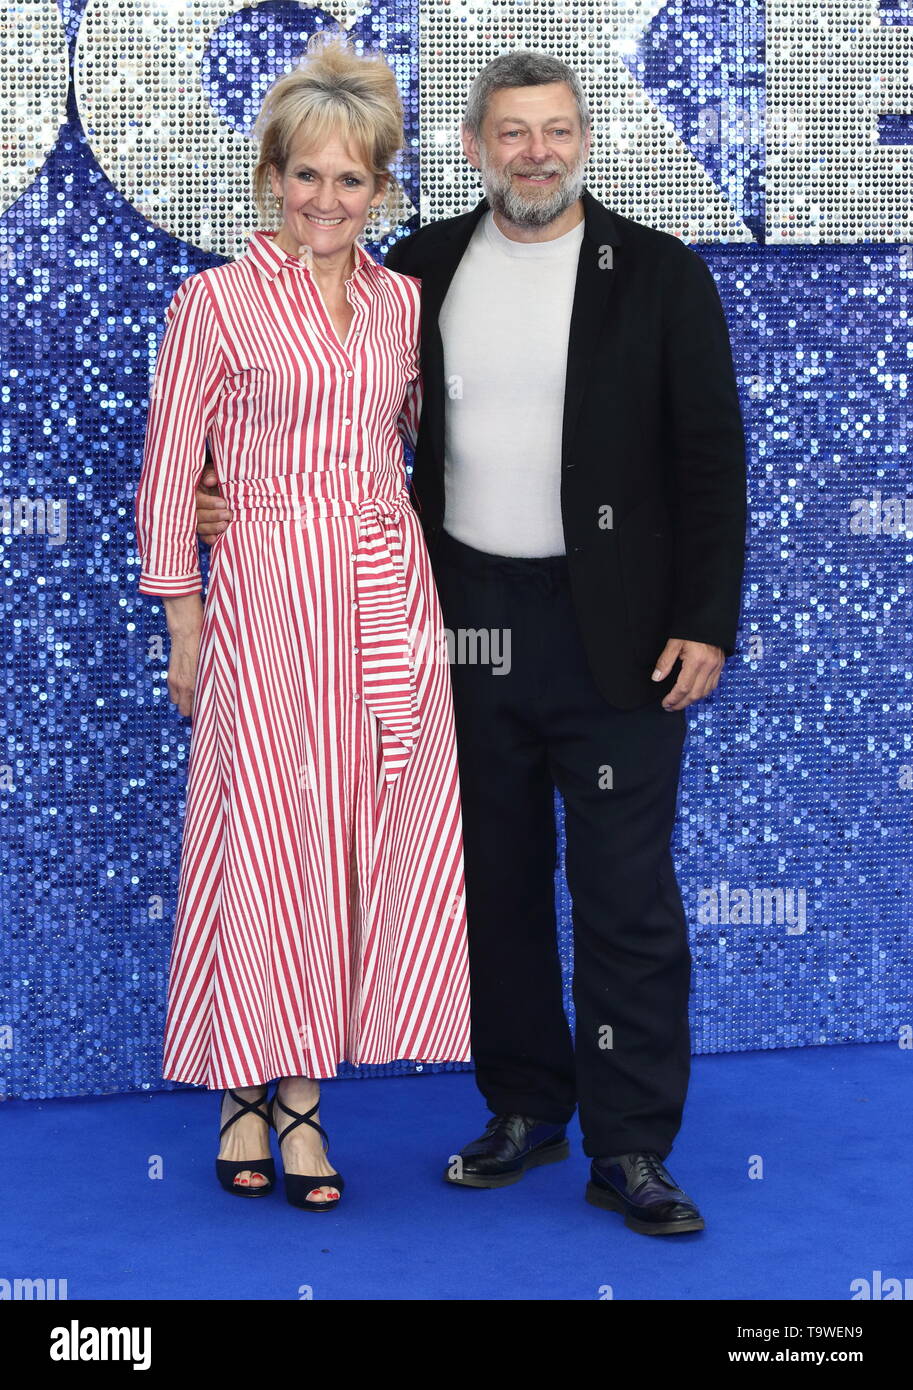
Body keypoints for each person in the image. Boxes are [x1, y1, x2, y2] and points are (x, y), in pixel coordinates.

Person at [196, 50, 747, 1235]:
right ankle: (523, 1109)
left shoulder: (658, 273)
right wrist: (221, 492)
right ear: (472, 148)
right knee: (489, 885)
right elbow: (330, 417)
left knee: (623, 897)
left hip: (623, 635)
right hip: (462, 623)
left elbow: (710, 462)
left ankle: (633, 1147)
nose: (534, 152)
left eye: (554, 130)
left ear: (584, 140)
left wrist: (706, 620)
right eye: (511, 132)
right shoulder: (421, 269)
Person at [134, 32, 471, 1212]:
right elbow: (171, 472)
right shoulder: (213, 303)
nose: (326, 200)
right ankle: (259, 1092)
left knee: (356, 846)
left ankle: (295, 1092)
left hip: (386, 598)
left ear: (381, 188)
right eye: (306, 174)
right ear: (272, 176)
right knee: (264, 843)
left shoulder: (402, 304)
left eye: (351, 178)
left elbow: (435, 450)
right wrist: (185, 626)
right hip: (268, 597)